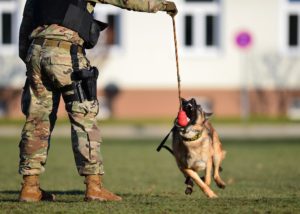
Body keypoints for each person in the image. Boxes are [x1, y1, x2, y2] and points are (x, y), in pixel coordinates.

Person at [18, 0, 178, 202]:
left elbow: (26, 23)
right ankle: (94, 187)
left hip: (36, 52)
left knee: (36, 122)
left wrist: (29, 57)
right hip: (66, 52)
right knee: (84, 118)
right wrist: (161, 5)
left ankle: (29, 187)